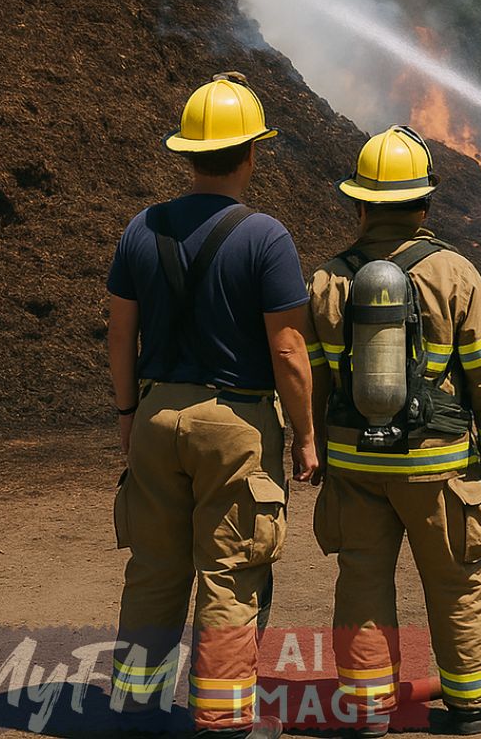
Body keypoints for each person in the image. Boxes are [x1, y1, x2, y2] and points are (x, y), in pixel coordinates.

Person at [107, 73, 319, 739]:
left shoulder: (141, 230)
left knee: (154, 568)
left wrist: (126, 415)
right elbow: (288, 352)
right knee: (230, 573)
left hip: (156, 417)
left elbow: (120, 335)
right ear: (252, 153)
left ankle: (135, 707)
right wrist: (308, 436)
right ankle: (223, 717)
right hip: (237, 426)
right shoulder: (268, 239)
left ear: (186, 154)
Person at [305, 125, 481, 737]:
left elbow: (314, 383)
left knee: (362, 582)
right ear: (424, 203)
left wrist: (321, 452)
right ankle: (476, 703)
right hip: (436, 465)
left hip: (354, 465)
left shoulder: (326, 281)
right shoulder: (454, 273)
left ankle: (368, 707)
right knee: (458, 578)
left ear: (358, 203)